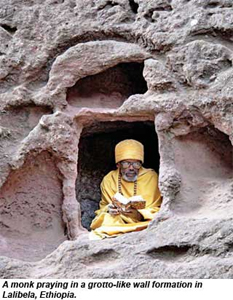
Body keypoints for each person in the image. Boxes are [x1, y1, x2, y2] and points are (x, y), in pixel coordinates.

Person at [89, 139, 162, 239]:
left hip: (144, 222)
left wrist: (140, 214)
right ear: (118, 165)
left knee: (159, 224)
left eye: (136, 164)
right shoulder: (109, 179)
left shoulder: (151, 177)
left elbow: (160, 209)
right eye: (126, 164)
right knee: (107, 219)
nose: (131, 168)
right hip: (118, 220)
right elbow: (102, 209)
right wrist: (109, 209)